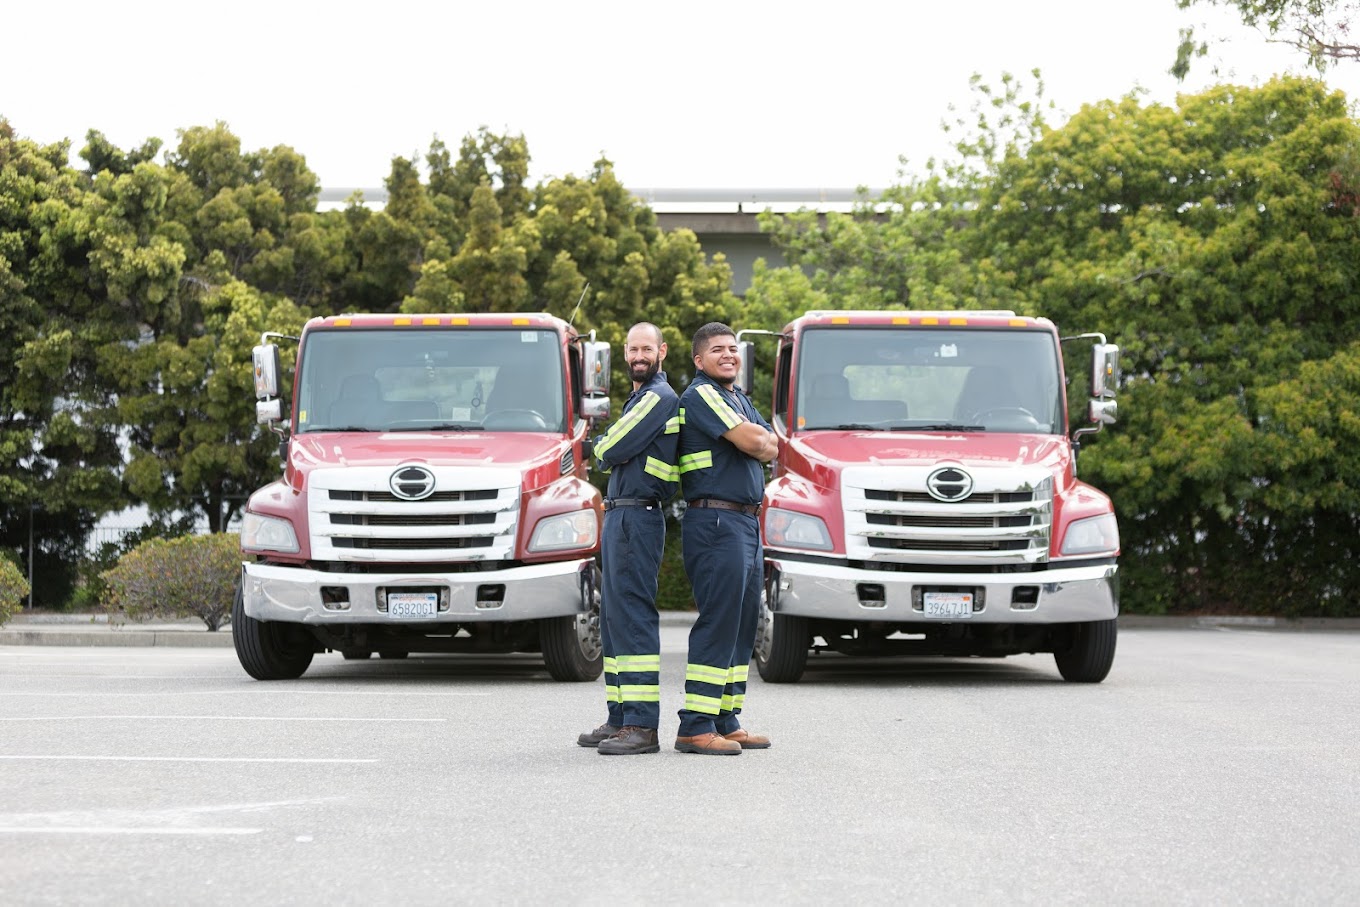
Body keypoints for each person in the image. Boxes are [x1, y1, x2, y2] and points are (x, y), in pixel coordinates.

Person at [673, 322, 779, 755]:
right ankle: (694, 726)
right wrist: (756, 441)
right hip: (716, 522)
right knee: (719, 621)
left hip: (745, 523)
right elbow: (755, 439)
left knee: (741, 624)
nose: (728, 355)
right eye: (718, 350)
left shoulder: (737, 397)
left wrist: (758, 441)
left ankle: (726, 719)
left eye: (733, 349)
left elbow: (770, 445)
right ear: (699, 360)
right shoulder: (701, 396)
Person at [575, 323, 679, 756]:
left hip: (639, 516)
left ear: (662, 351)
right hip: (621, 514)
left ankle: (641, 725)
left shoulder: (659, 396)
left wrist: (596, 447)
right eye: (633, 349)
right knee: (614, 619)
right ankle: (620, 717)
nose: (639, 355)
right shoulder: (641, 397)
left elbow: (611, 447)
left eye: (647, 348)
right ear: (624, 353)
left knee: (632, 616)